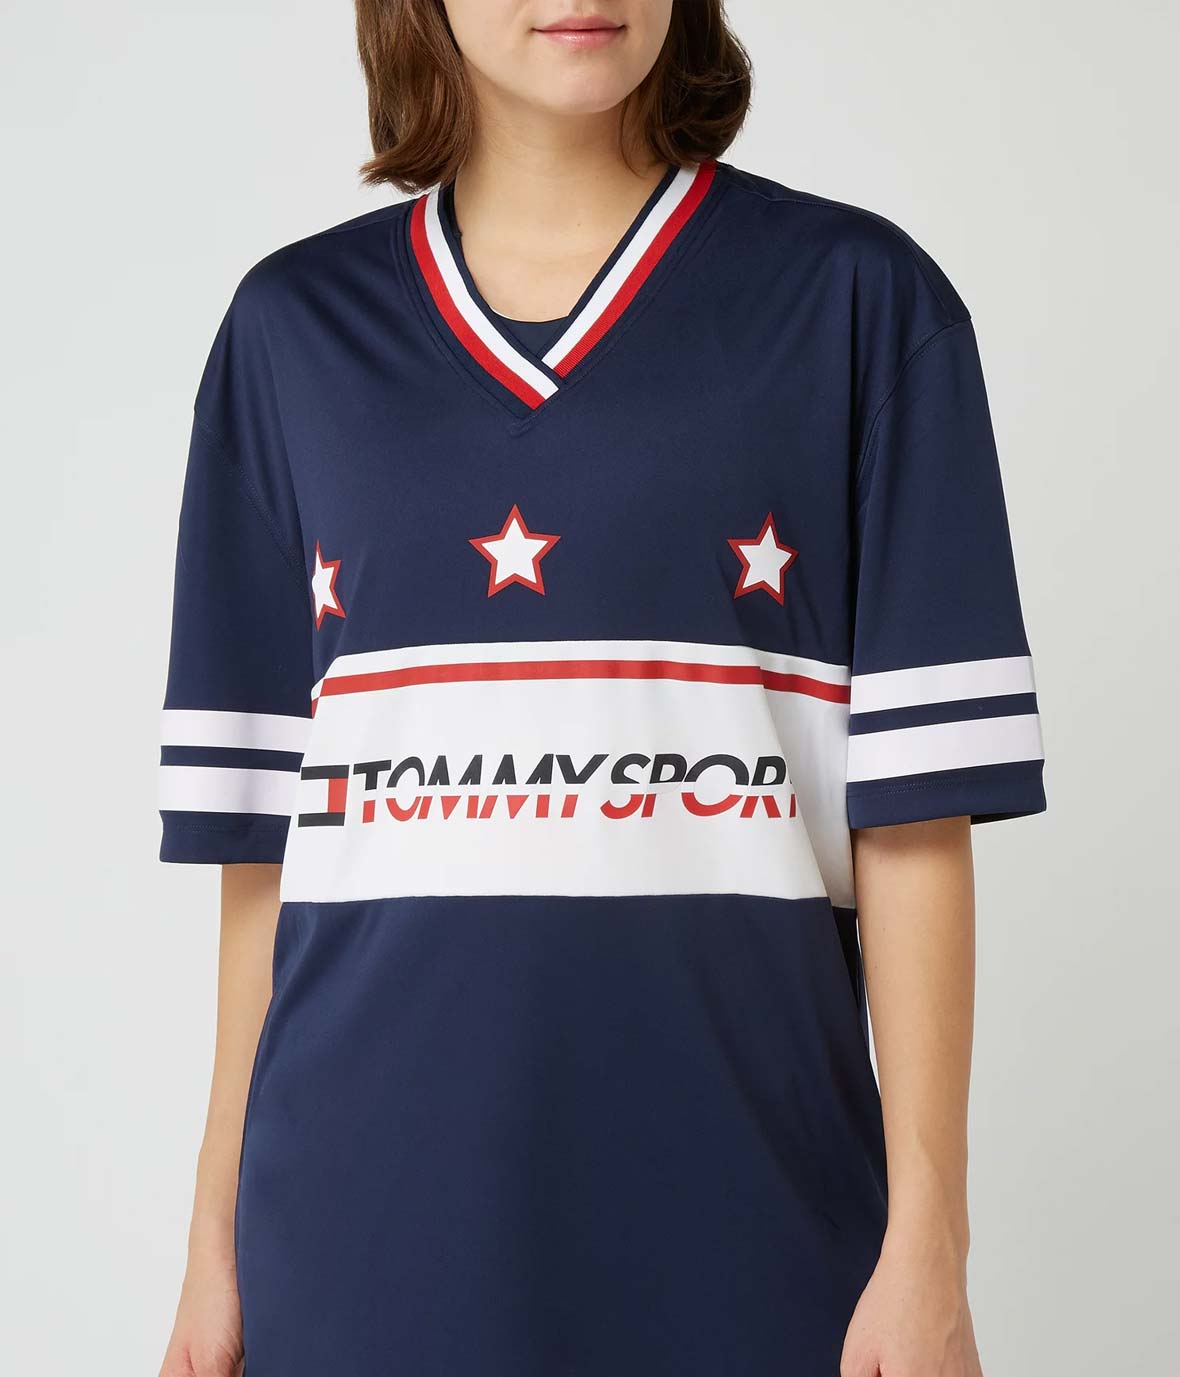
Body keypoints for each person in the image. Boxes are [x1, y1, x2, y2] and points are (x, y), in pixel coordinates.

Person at [157, 3, 1046, 1375]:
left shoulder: (861, 304)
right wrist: (212, 1246)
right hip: (354, 1238)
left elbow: (917, 819)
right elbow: (266, 860)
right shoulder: (289, 334)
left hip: (755, 1232)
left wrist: (930, 1241)